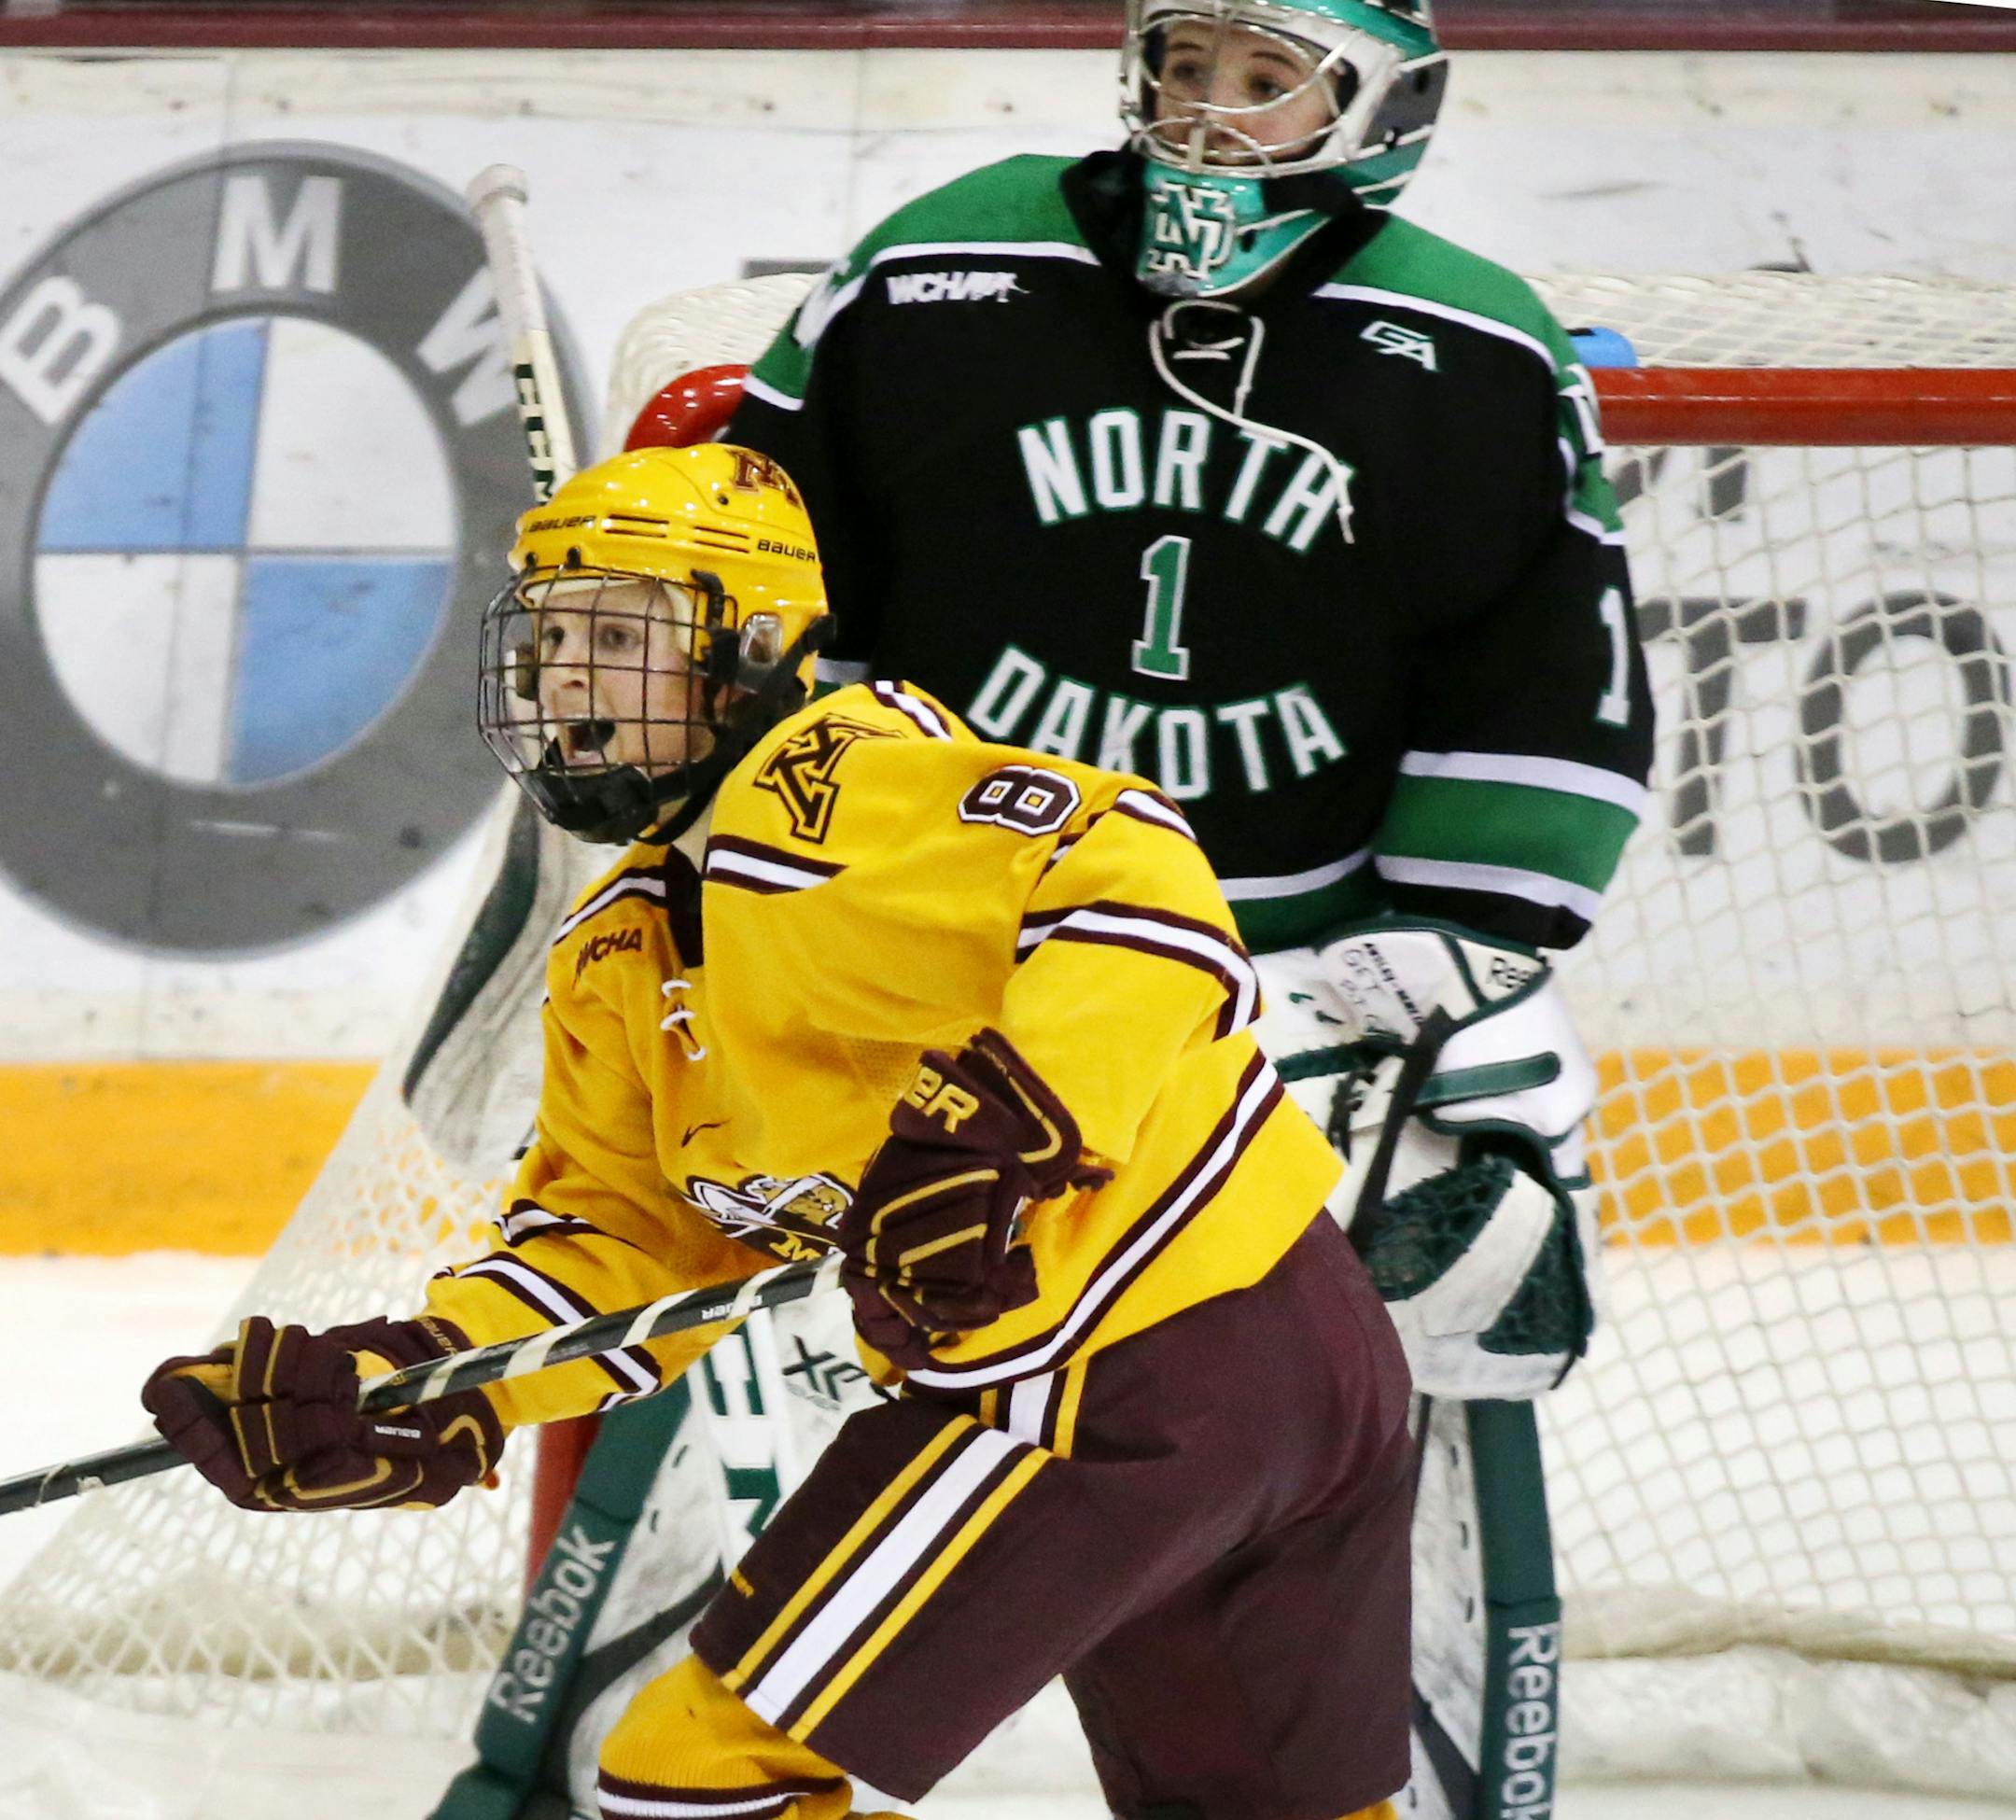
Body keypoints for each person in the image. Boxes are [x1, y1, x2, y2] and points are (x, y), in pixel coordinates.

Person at [142, 443, 1417, 1820]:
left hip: (1103, 1380)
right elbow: (626, 1244)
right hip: (1305, 1357)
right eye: (554, 635)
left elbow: (1142, 876)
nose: (567, 674)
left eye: (620, 634)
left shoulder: (835, 792)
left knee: (705, 1780)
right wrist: (436, 1378)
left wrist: (1008, 1125)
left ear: (749, 648)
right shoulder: (624, 948)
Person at [717, 3, 1656, 1814]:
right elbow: (770, 558)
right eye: (1185, 67)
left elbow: (1547, 672)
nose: (1209, 117)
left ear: (1384, 108)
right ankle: (743, 1713)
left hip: (1284, 980)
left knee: (1483, 1251)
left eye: (1265, 77)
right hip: (969, 962)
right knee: (958, 1365)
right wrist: (802, 879)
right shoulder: (942, 262)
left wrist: (1463, 945)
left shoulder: (1469, 344)